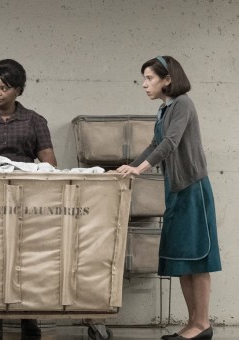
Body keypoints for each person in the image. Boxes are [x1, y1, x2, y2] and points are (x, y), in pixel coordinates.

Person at [116, 56, 221, 340]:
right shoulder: (165, 110)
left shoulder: (183, 103)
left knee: (198, 259)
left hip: (193, 188)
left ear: (168, 79)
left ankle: (202, 324)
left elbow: (170, 143)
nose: (144, 84)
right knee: (183, 259)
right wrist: (128, 169)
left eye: (149, 78)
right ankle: (194, 324)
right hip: (176, 190)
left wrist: (140, 168)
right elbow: (154, 144)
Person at [0, 59, 57, 340]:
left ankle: (29, 319)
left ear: (18, 90)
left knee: (27, 257)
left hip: (27, 198)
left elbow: (50, 162)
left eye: (3, 87)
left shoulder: (35, 121)